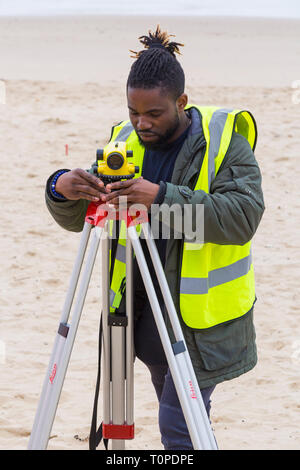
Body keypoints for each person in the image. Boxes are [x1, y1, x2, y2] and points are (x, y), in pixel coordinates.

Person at [45, 26, 265, 450]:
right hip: (135, 321)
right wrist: (62, 188)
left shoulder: (222, 142)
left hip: (197, 327)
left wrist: (160, 198)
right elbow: (86, 221)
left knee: (181, 433)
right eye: (133, 111)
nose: (141, 123)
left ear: (181, 102)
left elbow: (241, 218)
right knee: (170, 429)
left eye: (154, 113)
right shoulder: (123, 143)